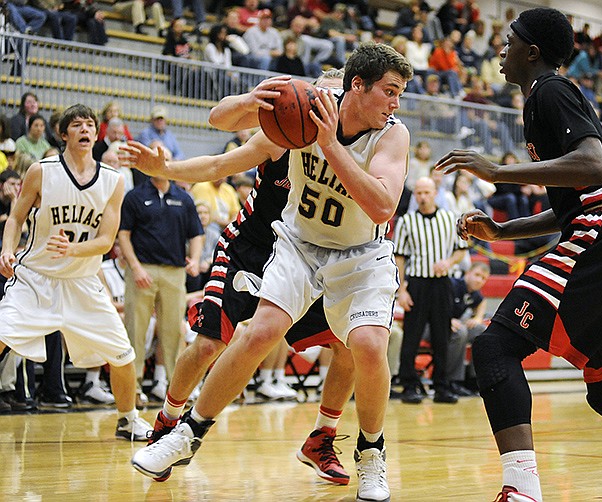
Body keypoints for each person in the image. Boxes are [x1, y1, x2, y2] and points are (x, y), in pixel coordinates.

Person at [129, 44, 414, 502]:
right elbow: (222, 138)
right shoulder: (304, 109)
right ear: (355, 87)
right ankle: (185, 433)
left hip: (360, 254)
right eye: (391, 91)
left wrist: (329, 145)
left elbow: (382, 205)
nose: (396, 103)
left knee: (365, 343)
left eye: (400, 94)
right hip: (299, 243)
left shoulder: (392, 135)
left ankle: (370, 452)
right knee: (261, 332)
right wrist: (246, 103)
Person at [434, 8, 602, 501]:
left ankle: (521, 490)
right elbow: (573, 201)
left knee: (495, 347)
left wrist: (498, 172)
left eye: (509, 40)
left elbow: (592, 167)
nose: (501, 49)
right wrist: (503, 229)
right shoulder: (543, 100)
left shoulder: (551, 91)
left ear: (532, 52)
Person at [0, 104, 152, 440]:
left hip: (83, 281)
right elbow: (15, 218)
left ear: (97, 134)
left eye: (90, 125)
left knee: (123, 354)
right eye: (78, 125)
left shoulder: (113, 181)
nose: (86, 129)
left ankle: (128, 419)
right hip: (36, 277)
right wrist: (8, 248)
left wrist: (73, 250)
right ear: (64, 133)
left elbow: (105, 240)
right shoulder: (41, 170)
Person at [117, 171, 204, 403]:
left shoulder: (184, 198)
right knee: (135, 330)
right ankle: (132, 389)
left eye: (164, 157)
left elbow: (196, 233)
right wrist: (135, 268)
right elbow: (123, 234)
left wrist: (195, 259)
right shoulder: (135, 196)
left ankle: (177, 392)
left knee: (174, 332)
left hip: (174, 272)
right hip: (142, 270)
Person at [393, 176, 467, 405]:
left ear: (435, 193)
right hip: (416, 283)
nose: (422, 197)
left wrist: (449, 262)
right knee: (411, 337)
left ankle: (442, 386)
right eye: (418, 193)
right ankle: (408, 385)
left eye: (426, 192)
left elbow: (461, 250)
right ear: (414, 195)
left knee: (441, 336)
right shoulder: (406, 221)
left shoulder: (449, 219)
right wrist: (401, 290)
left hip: (441, 283)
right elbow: (400, 258)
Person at [446, 261, 490, 396]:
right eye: (477, 275)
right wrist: (446, 319)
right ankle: (452, 381)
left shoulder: (474, 293)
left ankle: (474, 380)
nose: (479, 280)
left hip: (455, 326)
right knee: (461, 332)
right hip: (433, 325)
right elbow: (433, 304)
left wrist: (477, 318)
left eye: (483, 278)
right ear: (468, 273)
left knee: (481, 331)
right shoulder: (453, 284)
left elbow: (482, 301)